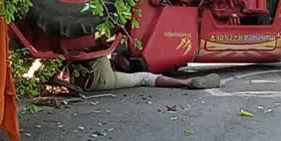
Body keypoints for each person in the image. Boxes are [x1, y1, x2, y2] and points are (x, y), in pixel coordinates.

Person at [75, 54, 220, 92]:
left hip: (81, 81)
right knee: (144, 78)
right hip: (98, 80)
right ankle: (186, 82)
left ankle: (188, 83)